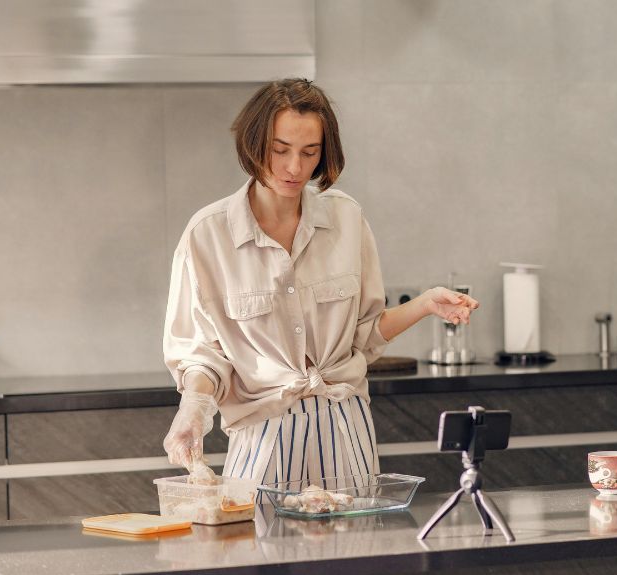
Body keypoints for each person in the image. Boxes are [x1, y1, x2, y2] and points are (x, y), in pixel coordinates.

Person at [162, 78, 478, 487]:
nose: (295, 168)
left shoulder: (346, 218)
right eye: (280, 150)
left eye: (309, 152)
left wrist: (425, 304)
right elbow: (203, 355)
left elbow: (363, 334)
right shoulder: (207, 235)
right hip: (262, 435)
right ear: (254, 144)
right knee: (259, 549)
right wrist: (193, 409)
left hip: (346, 427)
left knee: (358, 548)